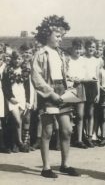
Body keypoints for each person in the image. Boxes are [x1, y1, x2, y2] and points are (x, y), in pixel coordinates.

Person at [32, 15, 80, 178]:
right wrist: (51, 93)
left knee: (66, 130)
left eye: (62, 36)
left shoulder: (60, 54)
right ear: (48, 35)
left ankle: (65, 164)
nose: (60, 39)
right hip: (48, 92)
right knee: (48, 130)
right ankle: (46, 167)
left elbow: (63, 73)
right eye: (58, 36)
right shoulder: (40, 53)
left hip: (62, 91)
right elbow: (36, 78)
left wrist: (71, 83)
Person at [66, 39, 87, 149]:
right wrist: (71, 79)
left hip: (80, 86)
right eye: (76, 48)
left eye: (80, 48)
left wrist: (81, 79)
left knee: (80, 115)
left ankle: (79, 139)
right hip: (69, 87)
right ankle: (67, 138)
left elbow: (86, 74)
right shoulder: (68, 59)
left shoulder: (83, 60)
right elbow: (65, 73)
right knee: (68, 113)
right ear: (72, 48)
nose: (78, 51)